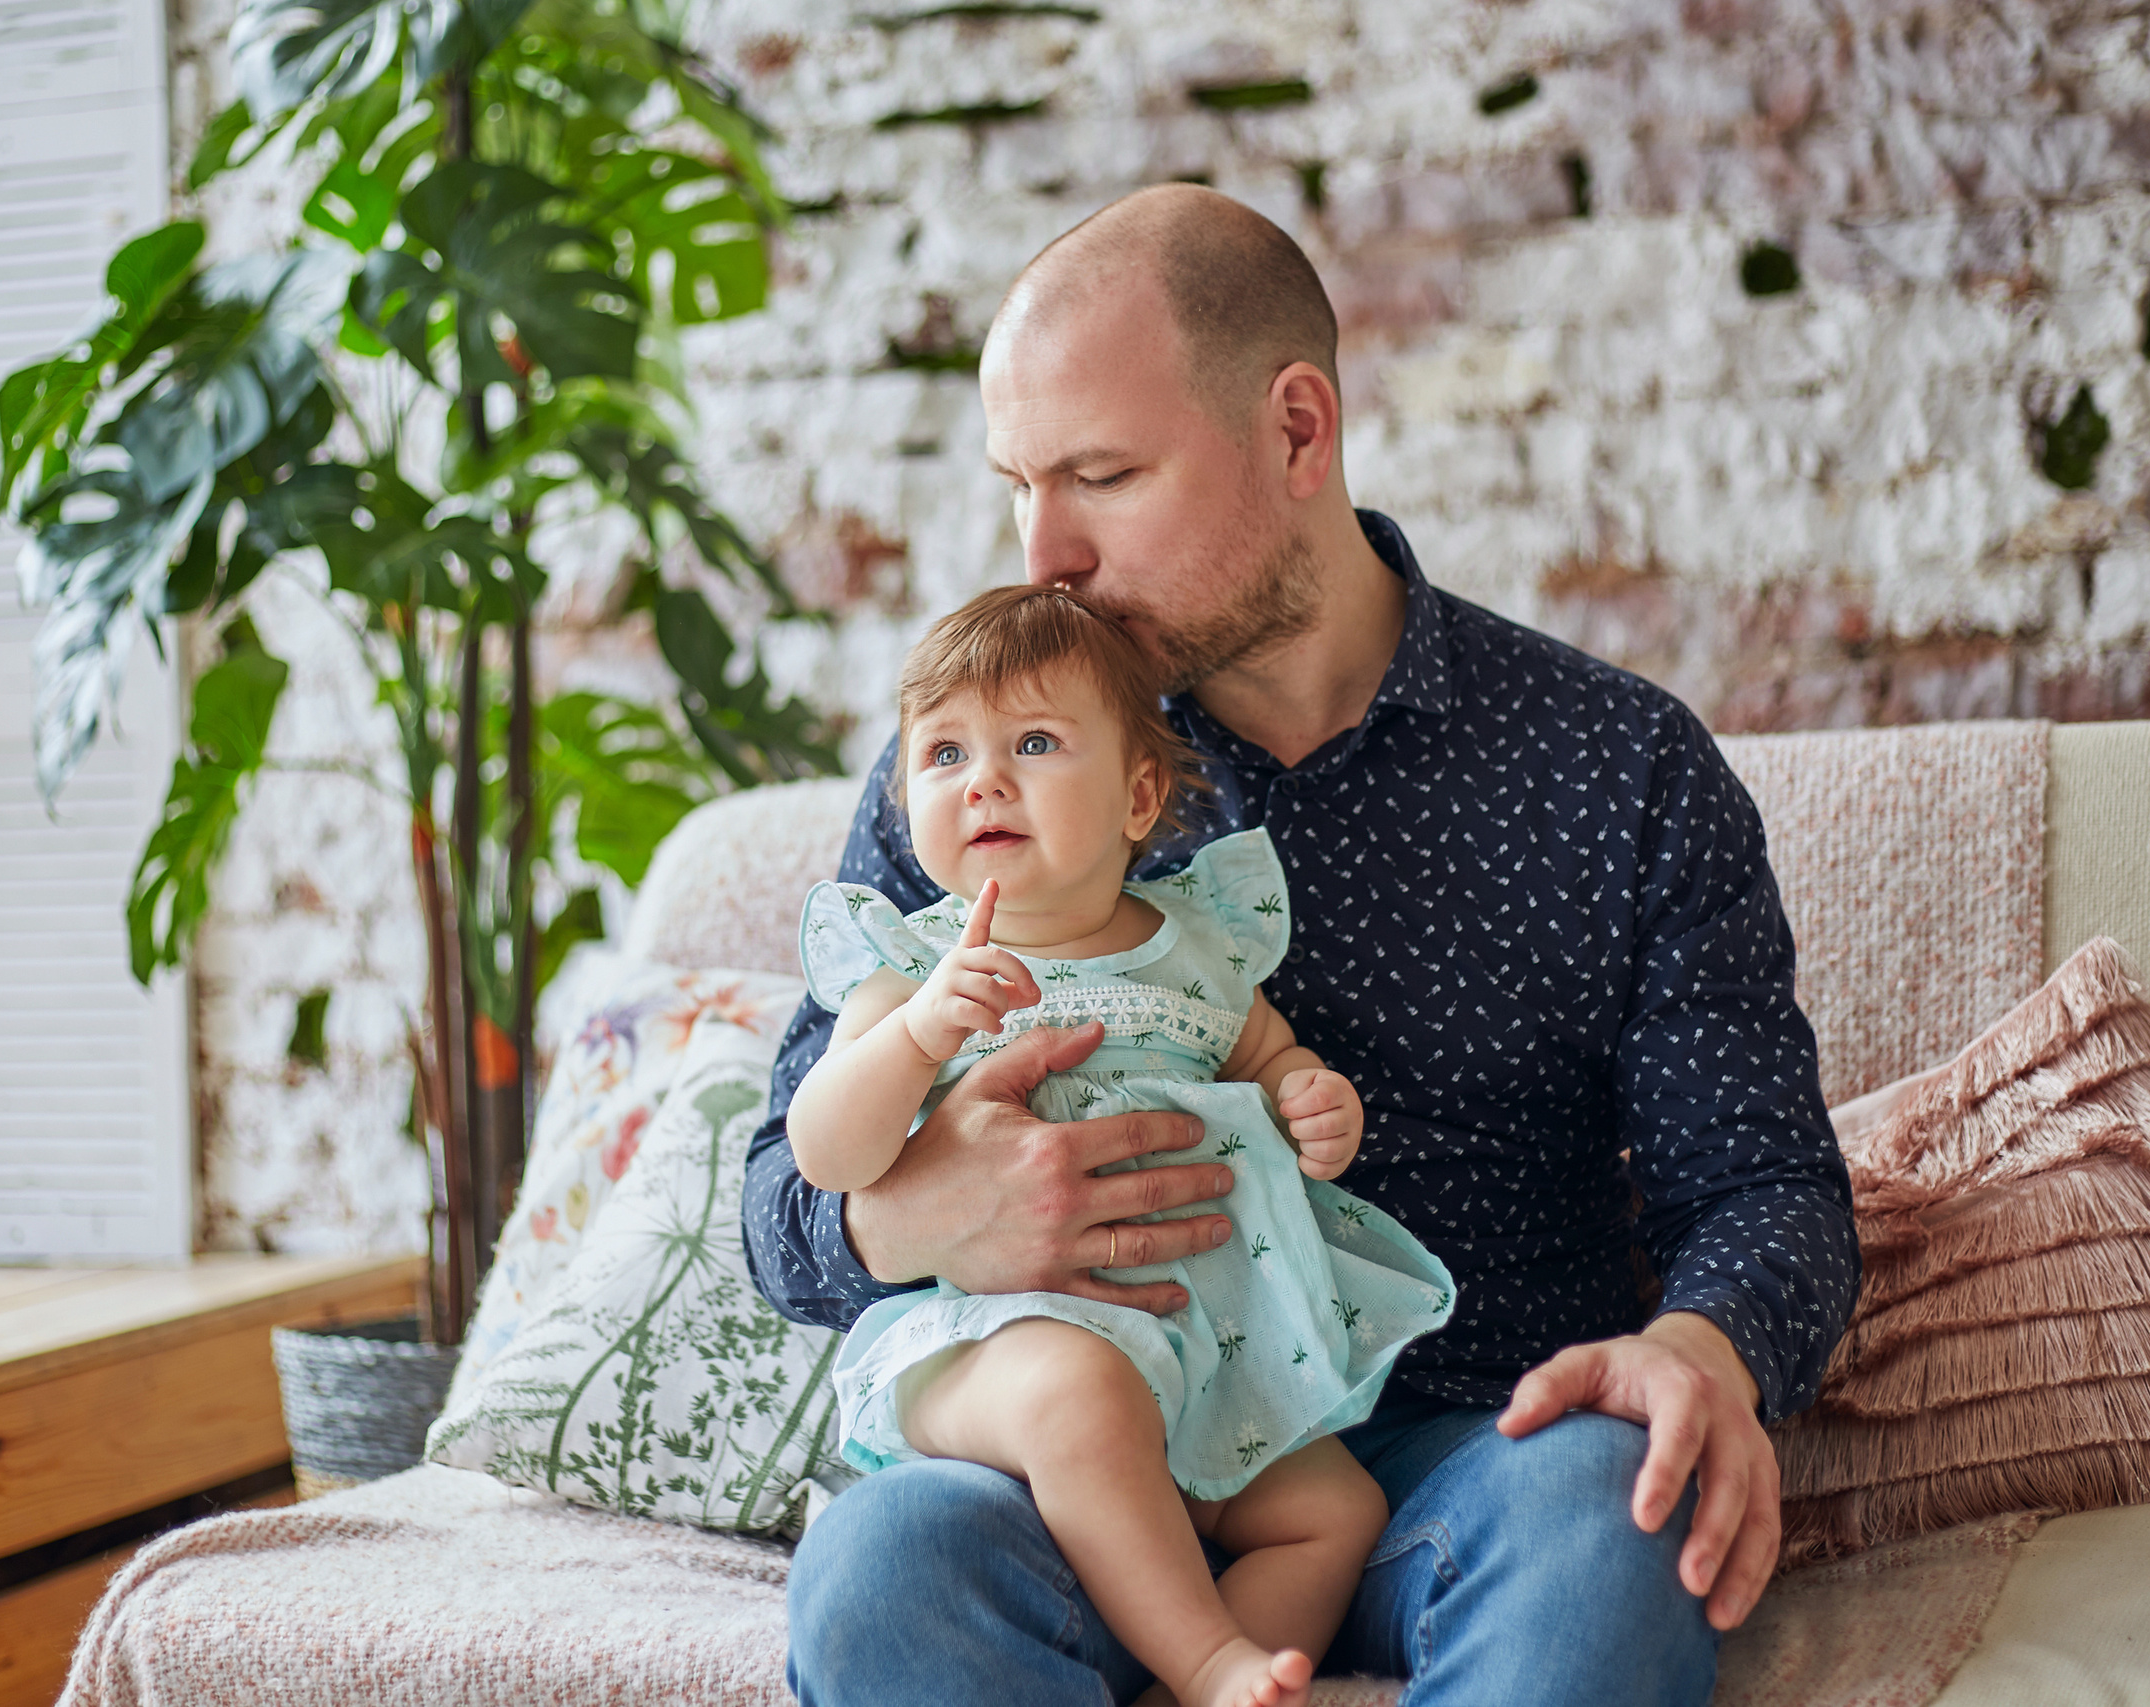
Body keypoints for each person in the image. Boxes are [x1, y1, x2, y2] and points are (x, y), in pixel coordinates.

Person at [742, 182, 1861, 1707]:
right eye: (1019, 484)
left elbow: (1763, 1181)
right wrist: (924, 1216)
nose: (1044, 549)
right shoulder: (981, 770)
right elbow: (775, 1202)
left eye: (1102, 474)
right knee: (884, 1567)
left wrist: (1703, 1348)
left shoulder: (1619, 766)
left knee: (1614, 1516)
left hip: (1476, 1455)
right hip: (1089, 1450)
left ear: (1296, 429)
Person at [790, 585, 1455, 1707]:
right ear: (906, 801)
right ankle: (1207, 1661)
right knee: (1082, 1394)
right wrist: (915, 1039)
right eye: (943, 753)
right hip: (1001, 1350)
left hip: (1206, 1355)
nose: (984, 779)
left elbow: (1269, 1054)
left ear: (1140, 794)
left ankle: (1212, 1685)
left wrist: (1310, 1098)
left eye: (1033, 742)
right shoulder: (908, 968)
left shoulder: (1196, 942)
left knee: (1338, 1514)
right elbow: (826, 1152)